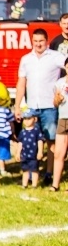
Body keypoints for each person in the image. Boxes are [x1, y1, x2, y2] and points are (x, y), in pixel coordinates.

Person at [14, 28, 65, 185]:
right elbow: (21, 83)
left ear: (47, 41)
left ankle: (49, 173)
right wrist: (17, 106)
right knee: (30, 140)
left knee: (50, 141)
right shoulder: (26, 59)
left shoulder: (55, 57)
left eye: (41, 41)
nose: (38, 44)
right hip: (31, 107)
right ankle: (30, 173)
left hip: (49, 106)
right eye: (35, 41)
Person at [50, 61, 68, 191]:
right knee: (58, 153)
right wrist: (58, 99)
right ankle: (55, 185)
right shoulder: (59, 83)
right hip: (63, 119)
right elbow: (55, 103)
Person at [19, 108, 45, 188]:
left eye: (29, 118)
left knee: (34, 170)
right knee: (25, 171)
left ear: (35, 119)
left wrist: (40, 151)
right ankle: (24, 184)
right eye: (25, 119)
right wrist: (18, 153)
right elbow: (20, 143)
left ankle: (34, 185)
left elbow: (40, 141)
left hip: (34, 155)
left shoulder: (37, 131)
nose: (26, 121)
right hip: (24, 155)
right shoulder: (22, 132)